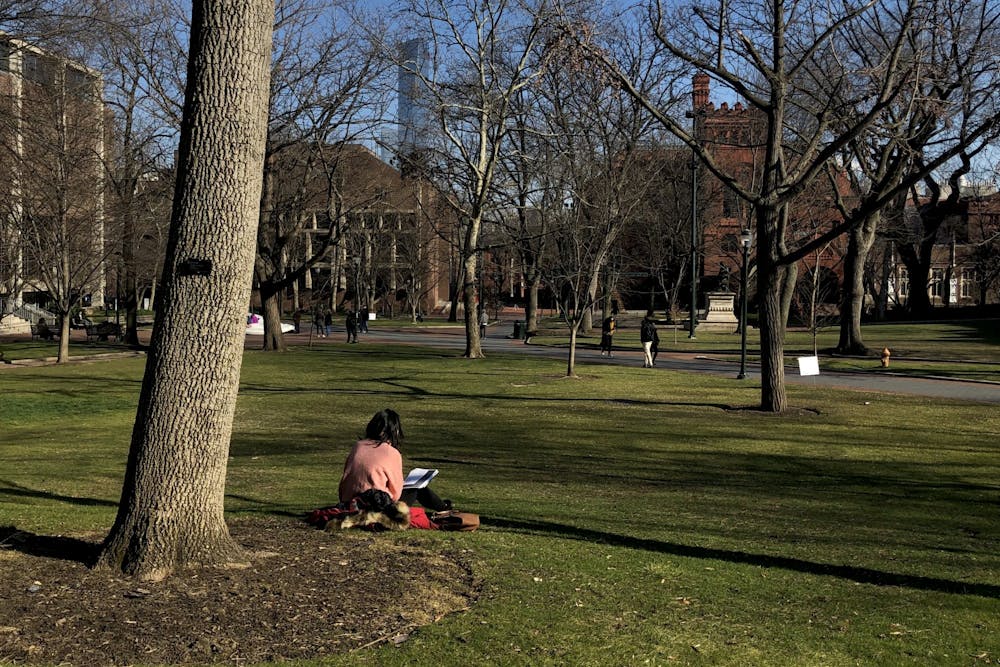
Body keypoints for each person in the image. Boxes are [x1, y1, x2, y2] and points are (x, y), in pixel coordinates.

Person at [338, 409, 450, 512]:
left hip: (349, 502)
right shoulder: (391, 452)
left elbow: (346, 479)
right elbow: (396, 492)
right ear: (395, 431)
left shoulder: (358, 446)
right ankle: (443, 508)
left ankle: (443, 506)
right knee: (417, 489)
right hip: (377, 506)